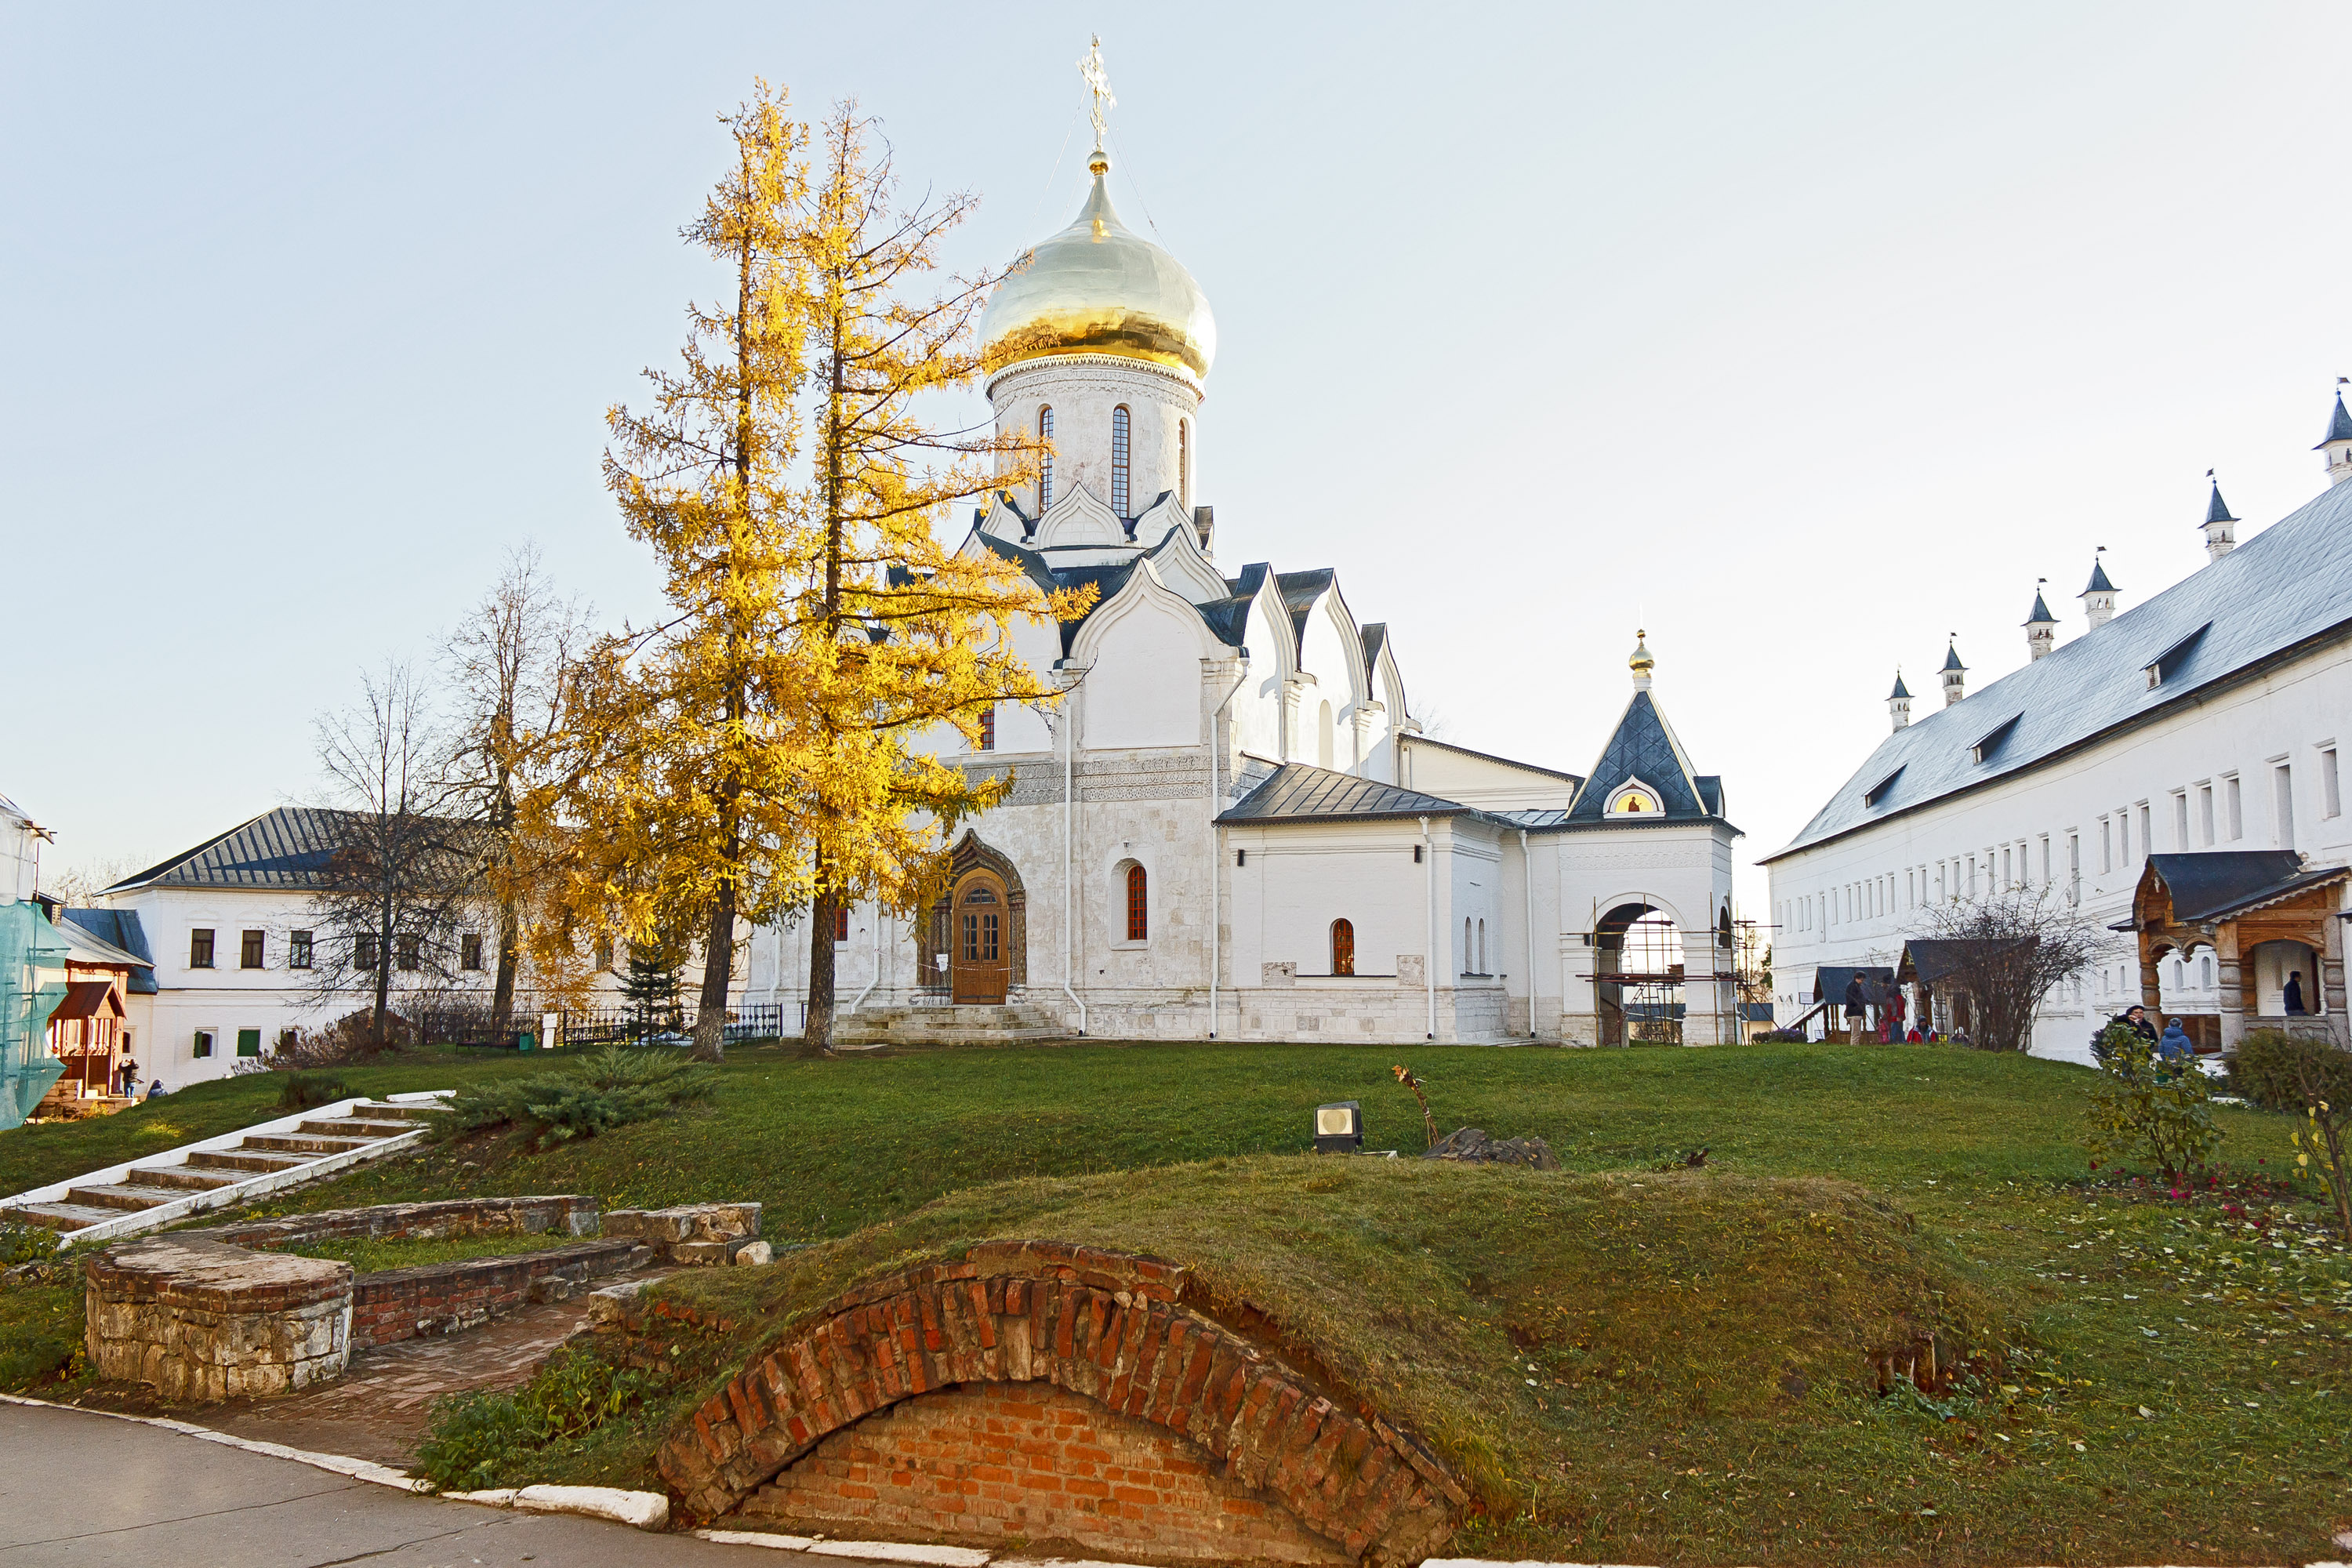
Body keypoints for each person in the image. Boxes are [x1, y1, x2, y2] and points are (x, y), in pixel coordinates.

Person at [1843, 971, 1868, 1045]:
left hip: (1854, 1012)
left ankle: (1855, 1047)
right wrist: (1860, 1004)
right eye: (1862, 980)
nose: (1862, 982)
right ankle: (1854, 1048)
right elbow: (1853, 1000)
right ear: (1857, 978)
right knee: (1856, 1034)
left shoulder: (1854, 986)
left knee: (1857, 1033)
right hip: (1854, 1013)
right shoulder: (1853, 987)